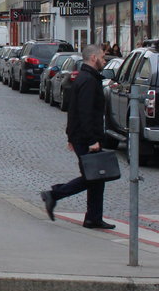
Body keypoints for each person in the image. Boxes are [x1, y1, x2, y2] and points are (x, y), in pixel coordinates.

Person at [41, 43, 115, 229]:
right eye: (102, 57)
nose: (104, 61)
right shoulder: (89, 81)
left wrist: (70, 136)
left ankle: (93, 218)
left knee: (96, 178)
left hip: (80, 136)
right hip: (86, 137)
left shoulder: (85, 78)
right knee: (92, 177)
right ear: (93, 58)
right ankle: (55, 194)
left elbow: (72, 110)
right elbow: (84, 112)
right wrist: (92, 141)